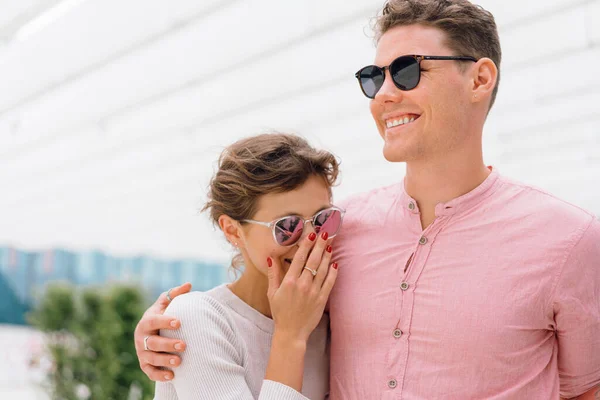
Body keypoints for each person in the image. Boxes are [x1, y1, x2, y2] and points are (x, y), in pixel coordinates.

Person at [135, 0, 600, 398]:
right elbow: (255, 310)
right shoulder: (339, 231)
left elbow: (586, 387)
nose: (385, 95)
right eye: (375, 78)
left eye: (408, 70)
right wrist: (164, 332)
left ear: (479, 79)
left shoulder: (570, 239)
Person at [150, 133, 343, 399]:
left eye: (324, 219)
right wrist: (290, 337)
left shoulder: (332, 316)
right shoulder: (197, 318)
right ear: (233, 231)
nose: (311, 241)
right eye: (287, 226)